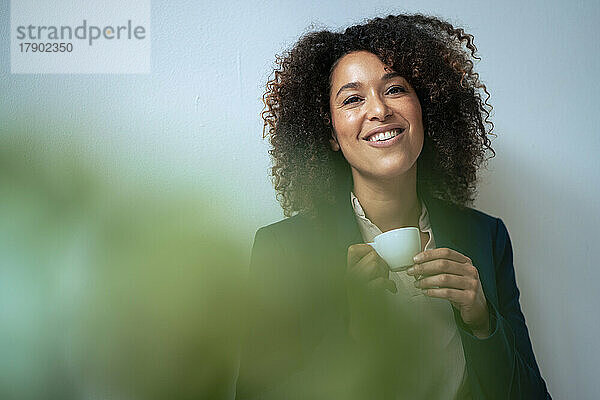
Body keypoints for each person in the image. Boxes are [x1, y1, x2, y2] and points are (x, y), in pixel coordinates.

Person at [236, 13, 551, 400]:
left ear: (425, 109)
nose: (379, 110)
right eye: (353, 99)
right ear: (331, 134)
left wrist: (482, 320)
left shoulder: (484, 237)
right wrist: (348, 332)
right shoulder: (284, 251)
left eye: (395, 89)